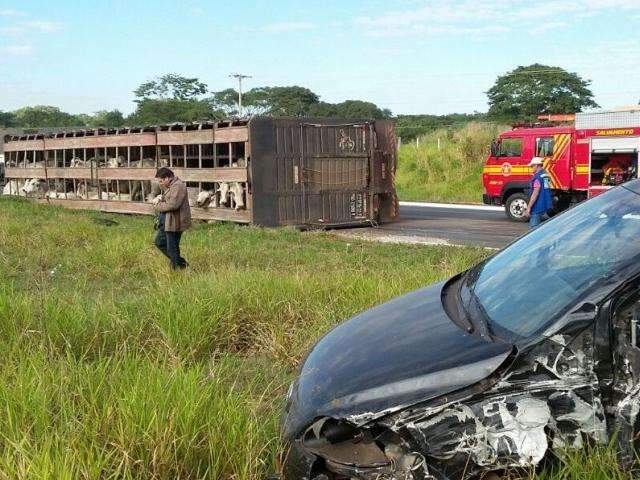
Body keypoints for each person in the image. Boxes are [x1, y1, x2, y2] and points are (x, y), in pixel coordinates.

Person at [152, 167, 191, 269]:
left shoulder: (178, 186)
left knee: (172, 248)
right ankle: (181, 264)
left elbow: (173, 205)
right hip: (168, 221)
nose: (160, 183)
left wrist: (157, 205)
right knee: (159, 242)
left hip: (175, 222)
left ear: (167, 178)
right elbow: (169, 199)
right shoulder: (171, 185)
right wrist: (161, 198)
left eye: (161, 181)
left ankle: (177, 268)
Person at [524, 157, 553, 228]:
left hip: (537, 207)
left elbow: (535, 193)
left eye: (532, 166)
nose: (531, 168)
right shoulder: (546, 175)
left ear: (537, 165)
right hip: (546, 205)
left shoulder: (537, 178)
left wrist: (528, 208)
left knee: (532, 231)